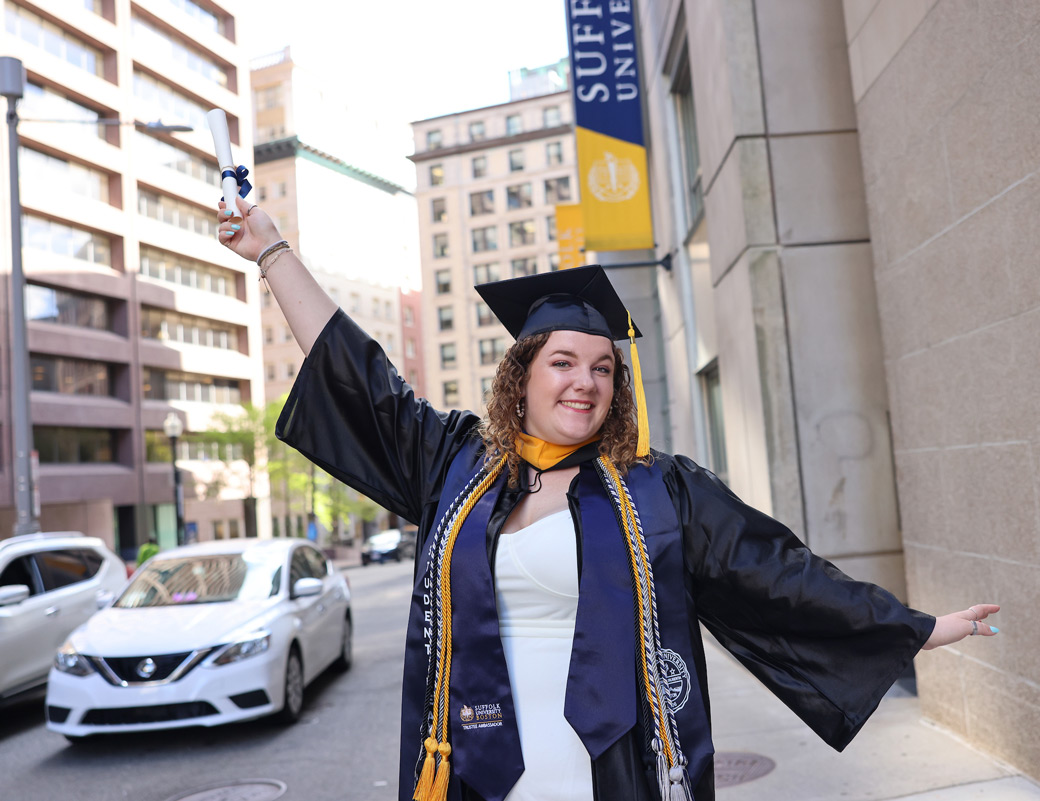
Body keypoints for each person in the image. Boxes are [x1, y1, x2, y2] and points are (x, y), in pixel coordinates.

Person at [216, 195, 999, 801]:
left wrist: (910, 628)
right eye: (562, 361)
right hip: (477, 766)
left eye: (601, 367)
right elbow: (359, 374)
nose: (584, 382)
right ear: (522, 375)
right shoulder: (456, 463)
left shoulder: (658, 489)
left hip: (611, 768)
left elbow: (779, 572)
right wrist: (273, 250)